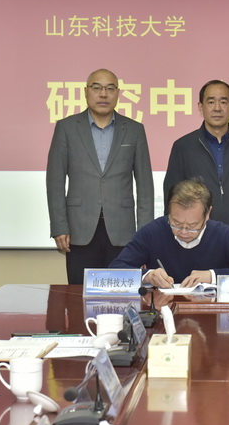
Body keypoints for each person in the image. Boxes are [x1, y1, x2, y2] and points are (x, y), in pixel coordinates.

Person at [46, 68, 154, 284]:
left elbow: (145, 187)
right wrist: (59, 226)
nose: (103, 94)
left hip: (123, 232)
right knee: (79, 294)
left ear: (118, 93)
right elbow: (55, 181)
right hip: (78, 230)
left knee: (121, 294)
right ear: (86, 91)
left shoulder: (134, 130)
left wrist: (144, 236)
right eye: (97, 88)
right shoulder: (66, 128)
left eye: (110, 88)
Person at [164, 80, 229, 259]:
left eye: (223, 102)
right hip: (194, 242)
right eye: (211, 102)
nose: (217, 108)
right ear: (200, 107)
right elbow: (171, 199)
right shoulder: (183, 146)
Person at [109, 178, 229, 288]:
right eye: (176, 224)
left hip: (212, 316)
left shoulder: (224, 235)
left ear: (208, 214)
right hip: (163, 313)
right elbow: (114, 271)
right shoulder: (152, 232)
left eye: (192, 226)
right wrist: (147, 276)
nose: (184, 232)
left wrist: (213, 276)